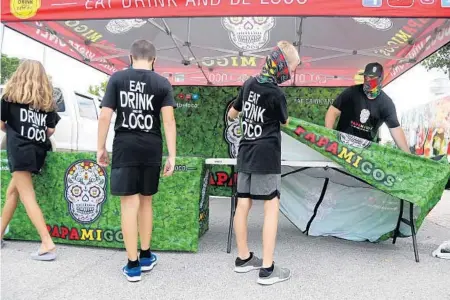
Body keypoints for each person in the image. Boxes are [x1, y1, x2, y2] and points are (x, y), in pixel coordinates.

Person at [97, 39, 177, 282]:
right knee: (146, 203)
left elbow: (104, 116)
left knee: (128, 205)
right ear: (154, 60)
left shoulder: (117, 79)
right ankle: (145, 255)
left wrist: (100, 147)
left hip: (125, 147)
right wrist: (172, 155)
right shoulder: (162, 82)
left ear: (130, 58)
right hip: (151, 147)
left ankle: (132, 265)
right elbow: (169, 122)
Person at [227, 41, 300, 286]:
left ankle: (243, 258)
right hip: (266, 154)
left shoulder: (249, 83)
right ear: (281, 65)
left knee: (243, 204)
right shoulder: (276, 93)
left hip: (245, 151)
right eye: (291, 67)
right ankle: (268, 269)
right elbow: (285, 121)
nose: (291, 72)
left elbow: (232, 113)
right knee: (271, 207)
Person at [0, 59, 60, 260]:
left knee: (27, 196)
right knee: (13, 192)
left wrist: (16, 128)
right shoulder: (47, 103)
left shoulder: (9, 98)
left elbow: (2, 124)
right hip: (37, 151)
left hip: (18, 150)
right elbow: (50, 130)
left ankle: (47, 243)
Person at [325, 62, 410, 153]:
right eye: (366, 77)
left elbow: (396, 130)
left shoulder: (386, 104)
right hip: (341, 145)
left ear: (380, 79)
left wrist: (408, 156)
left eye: (372, 78)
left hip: (364, 151)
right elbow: (332, 112)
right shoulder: (351, 92)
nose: (368, 80)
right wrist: (329, 135)